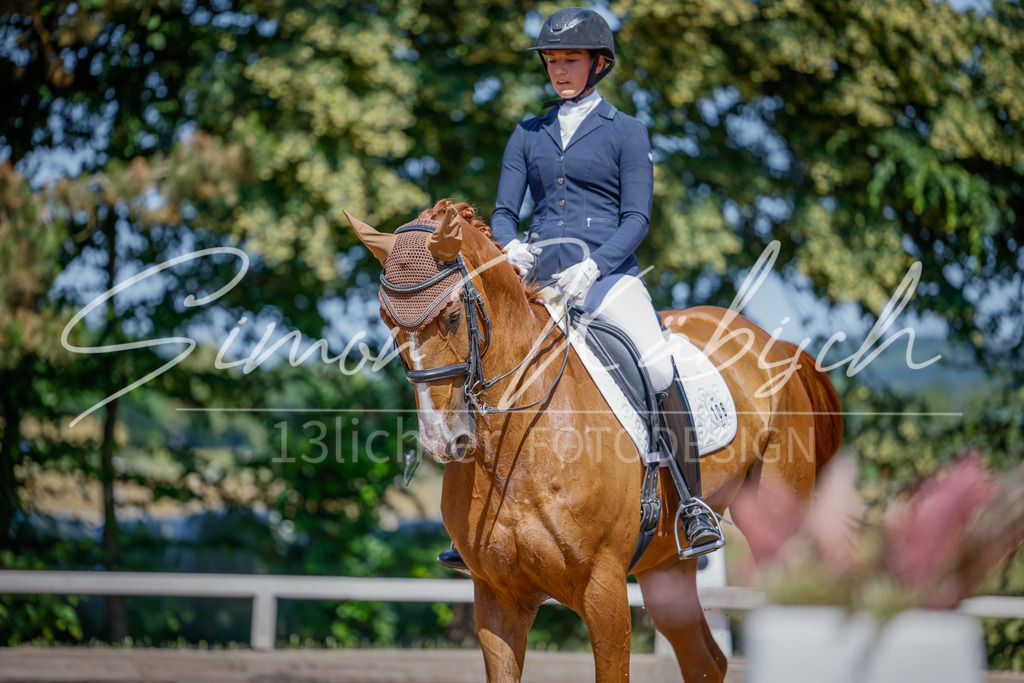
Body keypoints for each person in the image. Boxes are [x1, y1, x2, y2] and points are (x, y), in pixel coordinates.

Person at [438, 7, 723, 573]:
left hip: (608, 278)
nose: (558, 70)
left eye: (569, 59)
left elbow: (637, 217)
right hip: (537, 279)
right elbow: (502, 211)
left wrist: (596, 268)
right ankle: (473, 519)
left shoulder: (626, 131)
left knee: (659, 367)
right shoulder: (528, 132)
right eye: (551, 60)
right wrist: (508, 244)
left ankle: (691, 505)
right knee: (482, 364)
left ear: (598, 63)